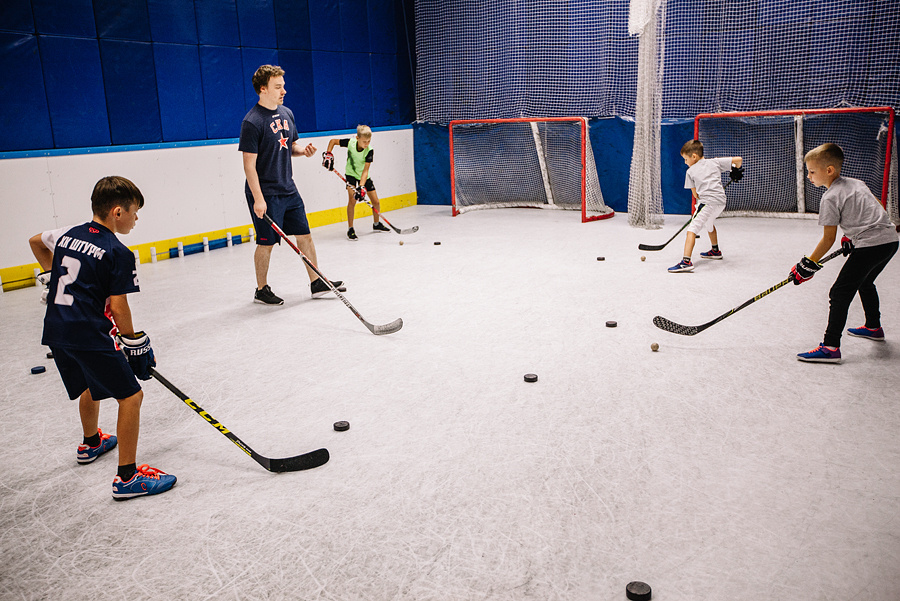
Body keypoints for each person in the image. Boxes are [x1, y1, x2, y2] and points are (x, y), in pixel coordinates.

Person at [42, 176, 176, 499]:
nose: (136, 218)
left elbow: (38, 242)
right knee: (131, 397)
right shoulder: (118, 251)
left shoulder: (68, 236)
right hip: (88, 333)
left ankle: (91, 443)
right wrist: (133, 342)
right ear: (117, 212)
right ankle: (127, 477)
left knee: (92, 383)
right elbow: (118, 306)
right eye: (134, 211)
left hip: (56, 329)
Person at [239, 64, 345, 305]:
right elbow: (249, 165)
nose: (283, 91)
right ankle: (261, 289)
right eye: (278, 87)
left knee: (305, 235)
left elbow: (291, 146)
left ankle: (316, 282)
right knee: (266, 243)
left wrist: (303, 150)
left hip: (288, 188)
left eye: (283, 86)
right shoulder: (252, 122)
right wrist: (258, 199)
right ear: (263, 89)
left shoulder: (286, 113)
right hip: (266, 193)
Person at [791, 143, 898, 363]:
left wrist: (808, 265)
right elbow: (877, 206)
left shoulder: (830, 197)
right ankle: (873, 327)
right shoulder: (857, 183)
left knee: (839, 292)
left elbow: (828, 239)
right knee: (865, 282)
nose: (808, 176)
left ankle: (830, 347)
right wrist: (852, 236)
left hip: (870, 245)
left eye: (812, 171)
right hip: (890, 242)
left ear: (829, 170)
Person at [668, 140, 743, 273]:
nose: (685, 162)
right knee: (709, 224)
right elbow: (739, 160)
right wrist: (735, 170)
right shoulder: (715, 162)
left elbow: (696, 195)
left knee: (692, 230)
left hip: (707, 203)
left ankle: (686, 262)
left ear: (694, 156)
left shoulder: (690, 172)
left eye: (686, 159)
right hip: (721, 202)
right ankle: (715, 251)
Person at [322, 125, 388, 240]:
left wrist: (361, 187)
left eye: (368, 141)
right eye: (364, 141)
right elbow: (333, 141)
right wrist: (328, 154)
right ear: (357, 138)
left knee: (376, 201)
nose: (366, 144)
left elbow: (365, 171)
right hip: (351, 175)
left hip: (363, 176)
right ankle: (350, 228)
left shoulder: (369, 151)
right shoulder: (350, 143)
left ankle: (376, 224)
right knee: (352, 200)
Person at [29, 225, 76, 304]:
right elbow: (35, 242)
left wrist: (52, 280)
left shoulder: (74, 231)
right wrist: (53, 280)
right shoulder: (74, 232)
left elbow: (35, 242)